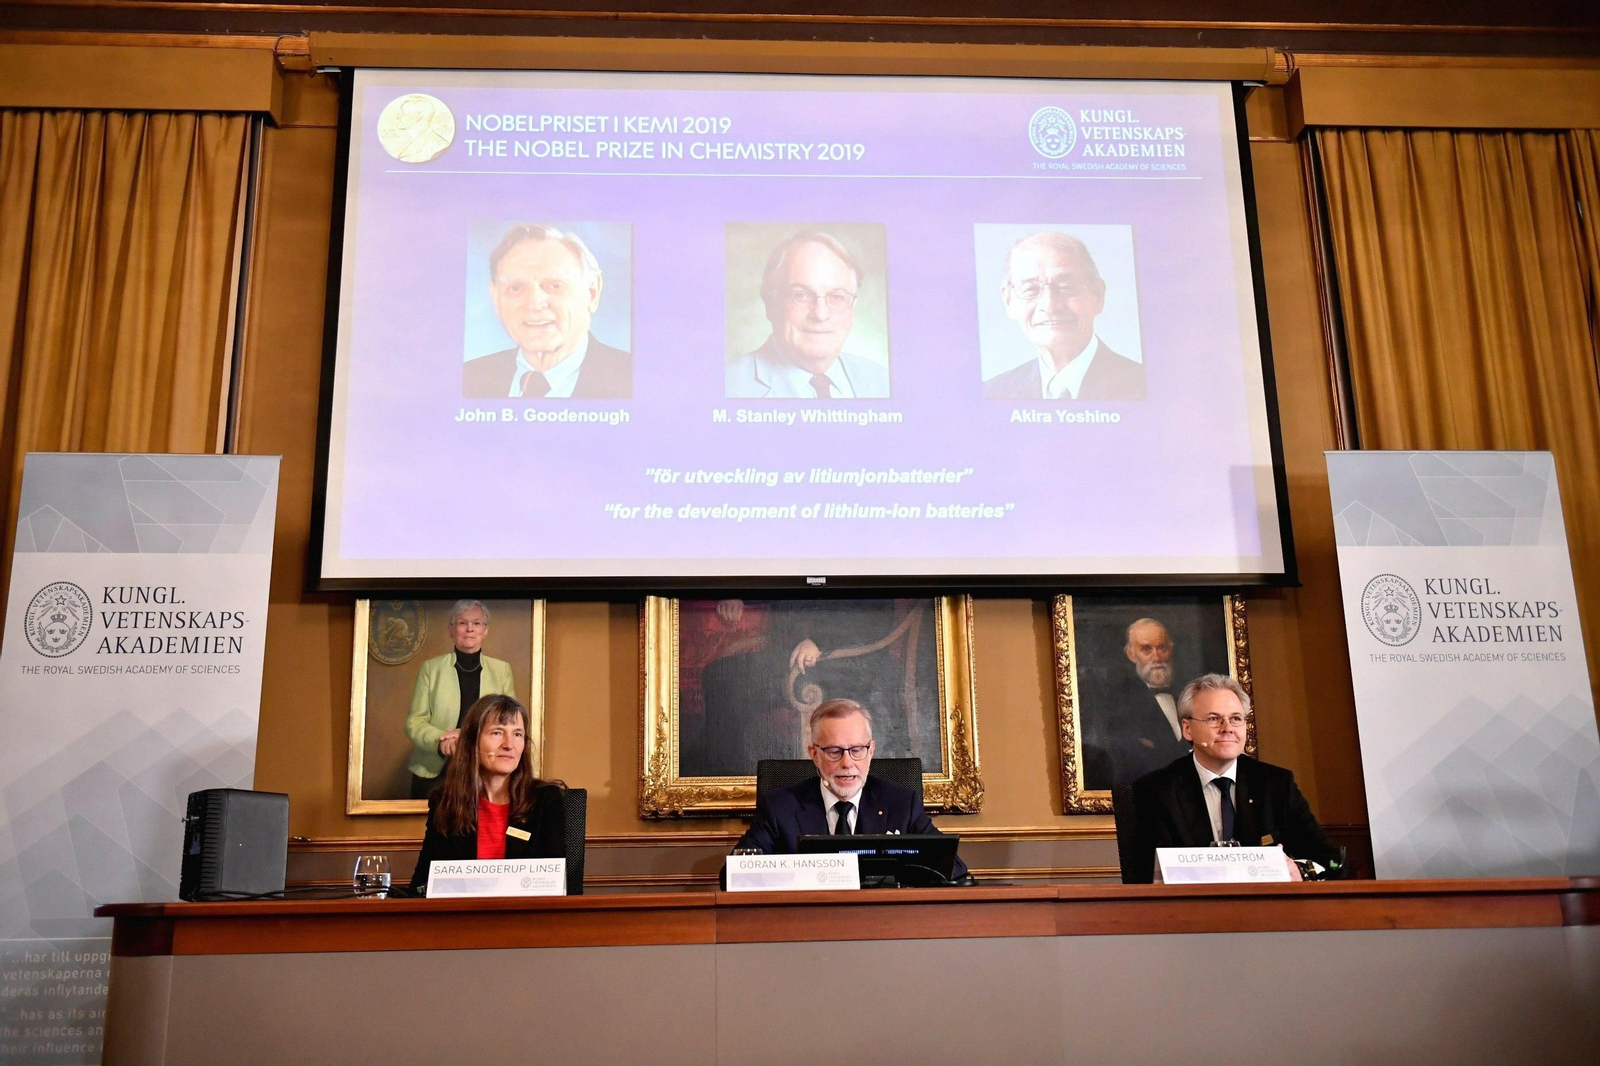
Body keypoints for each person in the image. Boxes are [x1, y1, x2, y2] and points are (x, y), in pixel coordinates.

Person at [1124, 674, 1337, 884]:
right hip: (1191, 913)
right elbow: (1144, 878)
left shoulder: (1276, 784)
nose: (1228, 729)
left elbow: (1331, 861)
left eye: (1236, 718)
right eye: (1214, 719)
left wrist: (1300, 871)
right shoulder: (1157, 791)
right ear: (1187, 729)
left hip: (1267, 912)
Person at [686, 599, 932, 778]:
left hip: (848, 664)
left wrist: (819, 641)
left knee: (736, 679)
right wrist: (737, 594)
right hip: (796, 655)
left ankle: (724, 771)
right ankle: (724, 773)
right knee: (721, 673)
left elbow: (874, 617)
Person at [732, 699, 968, 880]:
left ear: (871, 751)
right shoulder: (780, 807)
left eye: (857, 750)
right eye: (834, 751)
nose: (847, 763)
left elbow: (954, 869)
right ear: (814, 754)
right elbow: (734, 874)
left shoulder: (900, 804)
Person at [409, 694, 567, 892]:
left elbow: (556, 886)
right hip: (461, 919)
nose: (509, 744)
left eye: (517, 734)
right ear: (472, 742)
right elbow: (423, 883)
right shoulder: (445, 801)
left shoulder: (545, 800)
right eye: (497, 733)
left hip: (527, 919)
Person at [463, 223, 632, 399]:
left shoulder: (632, 378)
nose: (534, 304)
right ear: (495, 298)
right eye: (515, 288)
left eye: (555, 285)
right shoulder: (468, 378)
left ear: (592, 293)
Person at [983, 231, 1146, 401]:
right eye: (1030, 289)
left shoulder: (1146, 385)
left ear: (1097, 295)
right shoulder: (991, 393)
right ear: (1009, 301)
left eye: (1066, 286)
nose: (1050, 306)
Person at [727, 231, 890, 399]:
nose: (820, 314)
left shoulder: (881, 381)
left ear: (852, 307)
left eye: (837, 297)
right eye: (801, 295)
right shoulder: (730, 387)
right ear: (770, 303)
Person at [404, 600, 516, 799]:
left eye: (477, 623)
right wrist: (441, 740)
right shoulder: (431, 668)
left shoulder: (502, 670)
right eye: (462, 623)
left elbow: (509, 723)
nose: (470, 629)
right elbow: (414, 722)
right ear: (451, 629)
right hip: (435, 770)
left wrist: (467, 739)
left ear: (485, 630)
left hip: (483, 769)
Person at [1083, 618, 1192, 789]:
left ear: (1170, 649)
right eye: (1146, 649)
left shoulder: (1190, 693)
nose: (1156, 657)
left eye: (1161, 647)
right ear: (1131, 655)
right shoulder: (1118, 702)